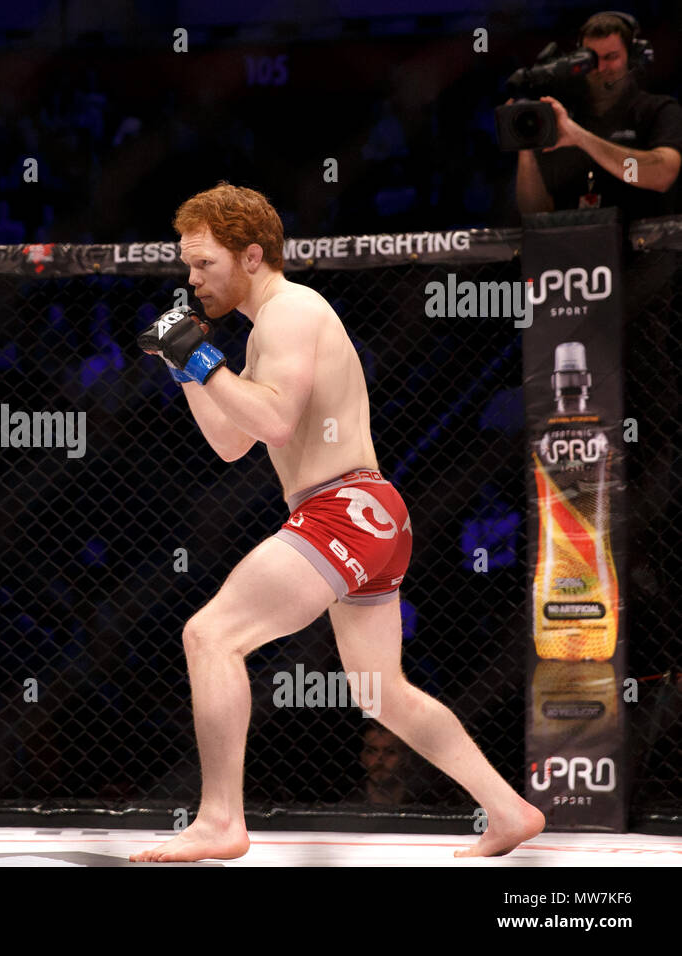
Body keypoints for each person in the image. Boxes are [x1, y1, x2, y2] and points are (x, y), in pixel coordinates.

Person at [131, 182, 545, 862]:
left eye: (204, 262)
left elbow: (274, 420)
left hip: (343, 511)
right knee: (382, 693)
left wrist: (205, 359)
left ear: (252, 256)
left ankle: (219, 820)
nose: (192, 277)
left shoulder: (291, 313)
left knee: (210, 636)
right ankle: (508, 809)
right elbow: (233, 443)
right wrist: (188, 369)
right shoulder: (270, 330)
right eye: (188, 264)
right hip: (368, 515)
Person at [515, 12, 682, 222]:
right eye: (592, 58)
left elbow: (662, 175)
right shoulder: (563, 117)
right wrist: (525, 144)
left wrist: (580, 138)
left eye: (611, 57)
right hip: (572, 249)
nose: (601, 68)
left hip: (644, 250)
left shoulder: (659, 110)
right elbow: (536, 213)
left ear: (631, 58)